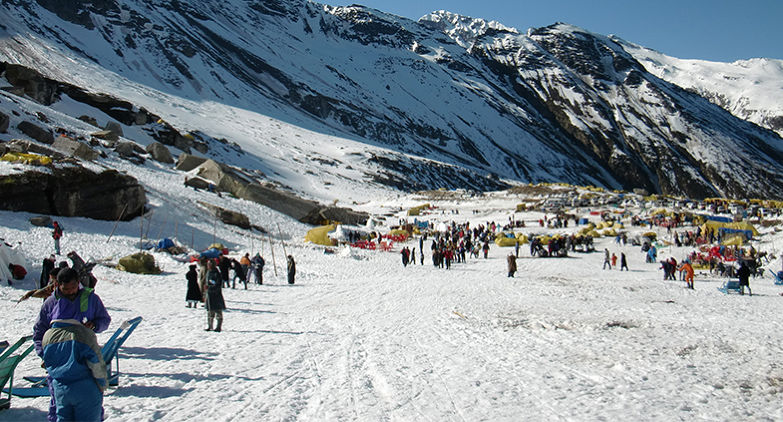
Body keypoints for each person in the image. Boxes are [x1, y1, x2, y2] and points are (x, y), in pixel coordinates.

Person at [33, 268, 111, 422]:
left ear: (78, 283)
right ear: (57, 285)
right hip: (58, 365)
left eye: (73, 287)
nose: (70, 292)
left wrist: (94, 325)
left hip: (83, 361)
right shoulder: (51, 303)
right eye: (65, 289)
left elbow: (104, 320)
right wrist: (45, 355)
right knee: (58, 409)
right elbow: (39, 331)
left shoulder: (90, 299)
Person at [41, 317, 107, 422]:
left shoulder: (48, 336)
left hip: (61, 389)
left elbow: (47, 361)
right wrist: (102, 383)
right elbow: (95, 362)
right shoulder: (83, 333)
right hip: (85, 388)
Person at [204, 260, 225, 331]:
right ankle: (210, 326)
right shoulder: (208, 272)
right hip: (209, 295)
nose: (208, 265)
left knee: (218, 312)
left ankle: (218, 327)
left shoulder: (216, 273)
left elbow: (218, 285)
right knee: (210, 312)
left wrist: (209, 288)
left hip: (216, 296)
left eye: (209, 264)